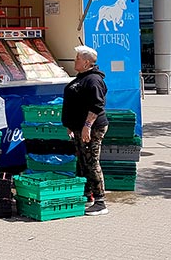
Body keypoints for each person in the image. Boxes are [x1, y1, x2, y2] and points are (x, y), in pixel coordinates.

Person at [62, 45, 109, 216]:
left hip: (91, 128)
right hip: (78, 127)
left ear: (87, 62)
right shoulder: (82, 78)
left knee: (91, 162)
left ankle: (100, 201)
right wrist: (70, 124)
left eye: (77, 58)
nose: (75, 60)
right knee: (82, 162)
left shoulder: (93, 80)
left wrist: (87, 126)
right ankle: (87, 195)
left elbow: (97, 105)